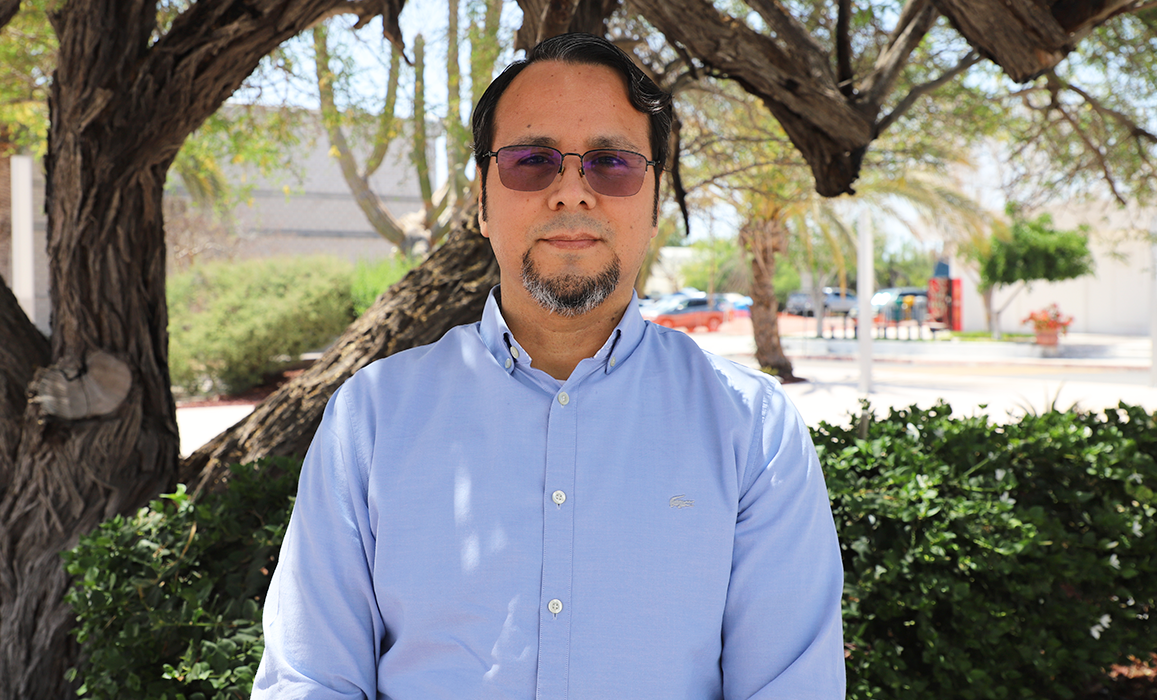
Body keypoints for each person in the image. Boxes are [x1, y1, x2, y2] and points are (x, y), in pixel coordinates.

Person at [253, 32, 844, 699]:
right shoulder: (371, 419)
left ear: (655, 203)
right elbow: (310, 680)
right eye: (532, 161)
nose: (571, 193)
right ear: (481, 203)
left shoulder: (754, 431)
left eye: (611, 163)